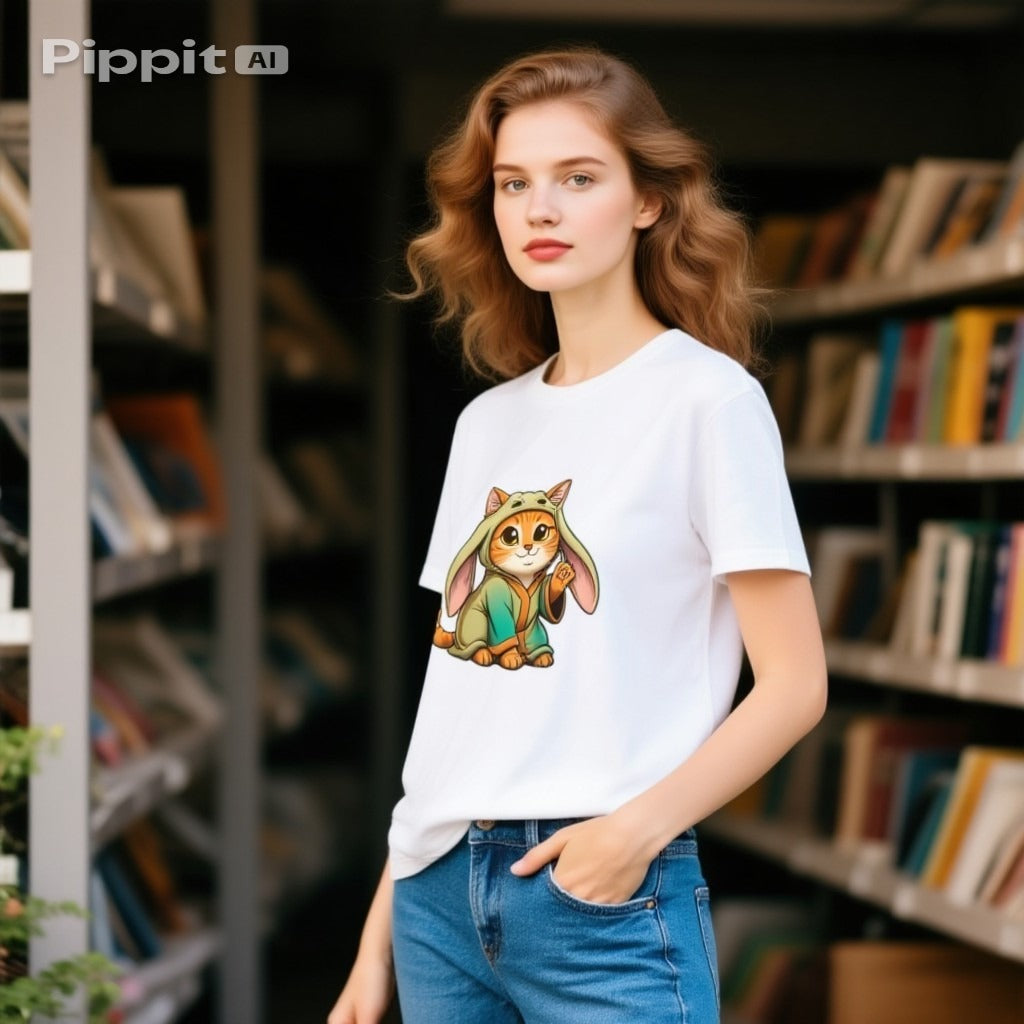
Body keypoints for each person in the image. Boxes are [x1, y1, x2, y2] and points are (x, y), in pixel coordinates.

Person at [328, 45, 827, 1024]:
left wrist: (631, 834)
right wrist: (378, 930)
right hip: (435, 895)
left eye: (579, 178)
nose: (539, 210)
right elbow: (461, 700)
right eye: (514, 183)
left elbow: (795, 685)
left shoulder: (709, 401)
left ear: (648, 201)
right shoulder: (489, 424)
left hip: (597, 892)